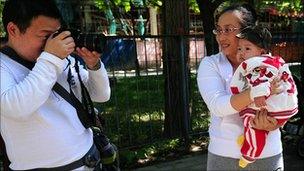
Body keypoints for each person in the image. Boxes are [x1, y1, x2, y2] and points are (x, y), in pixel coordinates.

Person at [0, 0, 110, 170]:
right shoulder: (5, 65)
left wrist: (94, 66)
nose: (53, 42)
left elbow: (101, 95)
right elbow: (16, 108)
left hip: (90, 161)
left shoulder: (60, 59)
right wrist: (51, 58)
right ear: (13, 29)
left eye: (55, 34)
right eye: (45, 36)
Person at [197, 3, 285, 170]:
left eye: (228, 29)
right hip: (224, 156)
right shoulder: (211, 64)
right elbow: (217, 106)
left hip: (268, 153)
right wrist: (257, 92)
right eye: (219, 30)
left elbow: (286, 99)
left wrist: (276, 123)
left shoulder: (270, 63)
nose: (221, 36)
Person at [230, 26, 298, 168]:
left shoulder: (258, 62)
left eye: (247, 49)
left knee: (252, 121)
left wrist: (260, 93)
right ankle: (249, 139)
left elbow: (262, 78)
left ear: (261, 51)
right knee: (257, 126)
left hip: (274, 105)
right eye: (239, 49)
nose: (242, 53)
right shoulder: (273, 60)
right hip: (284, 104)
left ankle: (249, 154)